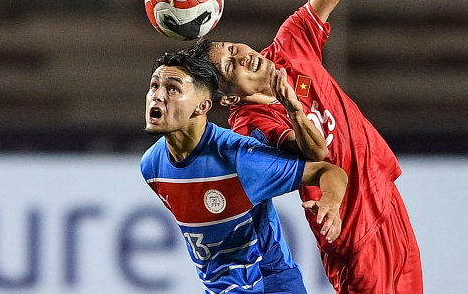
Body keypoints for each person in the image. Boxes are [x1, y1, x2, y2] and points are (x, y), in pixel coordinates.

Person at [195, 0, 423, 294]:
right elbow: (314, 152)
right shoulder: (251, 125)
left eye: (233, 47)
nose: (242, 56)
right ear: (225, 96)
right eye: (229, 65)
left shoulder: (289, 44)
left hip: (387, 202)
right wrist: (293, 108)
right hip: (352, 237)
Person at [140, 49, 348, 294]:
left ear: (202, 106)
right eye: (154, 85)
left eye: (173, 88)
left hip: (270, 286)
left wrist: (331, 204)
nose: (157, 95)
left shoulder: (240, 160)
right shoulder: (152, 167)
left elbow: (328, 170)